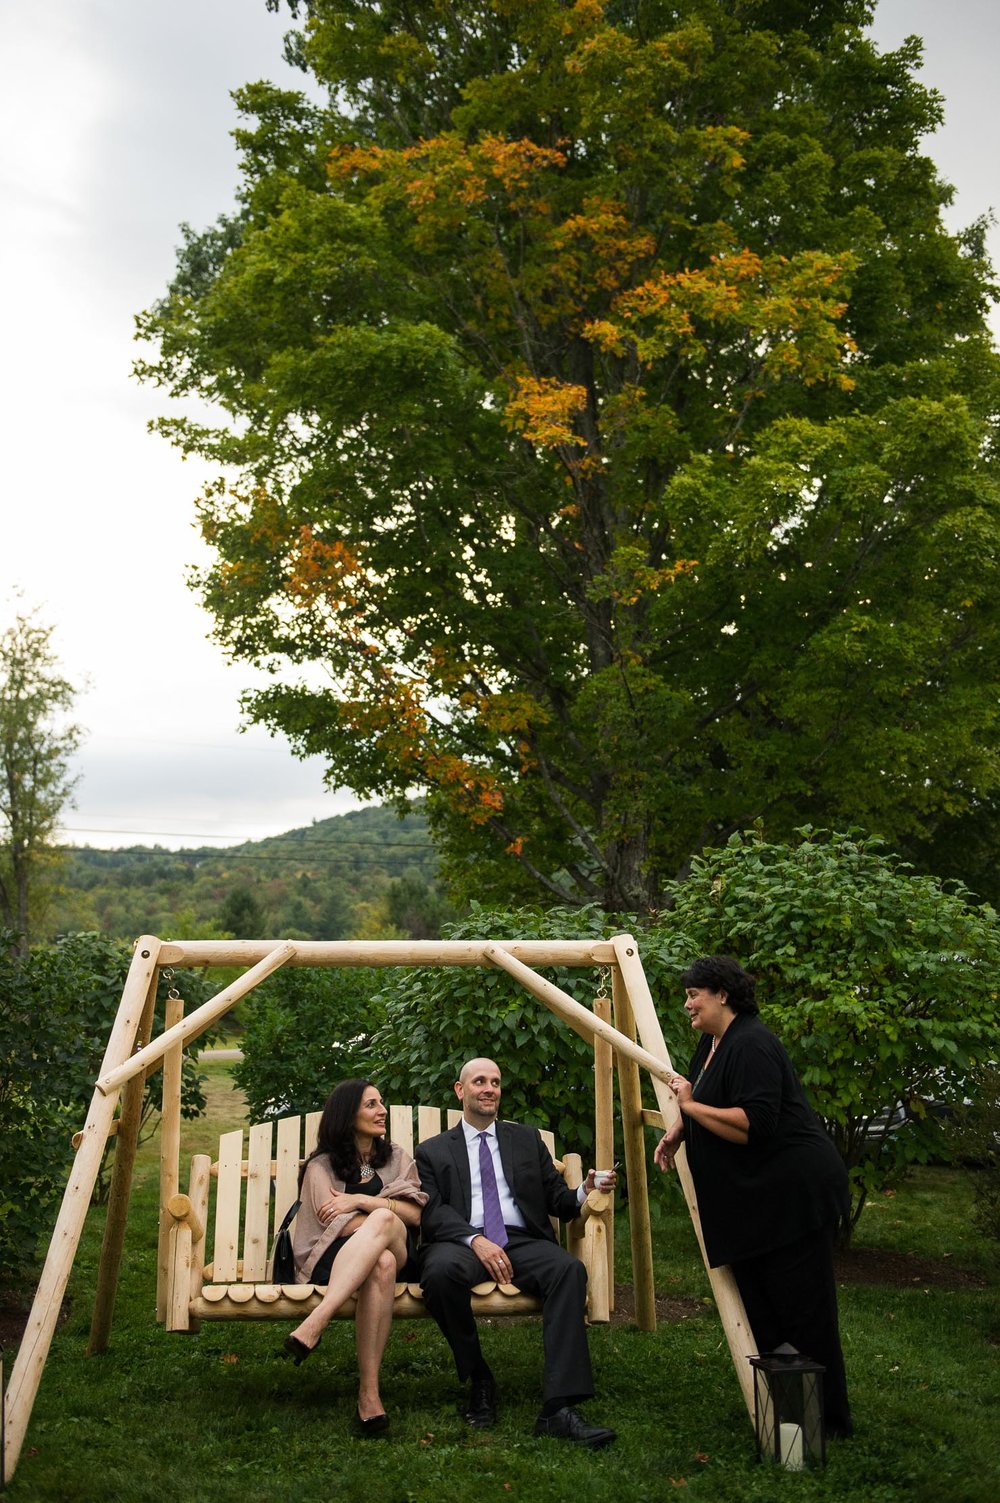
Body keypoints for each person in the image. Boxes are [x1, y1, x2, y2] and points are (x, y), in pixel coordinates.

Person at [653, 956, 852, 1438]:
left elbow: (754, 1126)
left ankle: (825, 1424)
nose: (688, 1003)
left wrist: (689, 1106)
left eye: (694, 993)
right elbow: (710, 1098)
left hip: (792, 1192)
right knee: (762, 1306)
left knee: (803, 1310)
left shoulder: (754, 1044)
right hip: (756, 1197)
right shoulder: (713, 1042)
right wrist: (681, 1128)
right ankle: (788, 1413)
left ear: (722, 994)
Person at [415, 1056, 617, 1450]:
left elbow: (557, 1199)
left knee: (567, 1271)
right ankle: (479, 1378)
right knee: (438, 1276)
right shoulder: (433, 1151)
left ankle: (559, 1408)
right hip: (462, 1242)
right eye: (479, 1081)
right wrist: (476, 1240)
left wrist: (583, 1190)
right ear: (461, 1091)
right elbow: (433, 1211)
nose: (489, 1088)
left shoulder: (526, 1140)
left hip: (522, 1240)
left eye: (495, 1082)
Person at [284, 1079, 427, 1435]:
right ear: (348, 1115)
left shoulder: (395, 1158)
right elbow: (334, 1226)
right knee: (382, 1262)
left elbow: (416, 1215)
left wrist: (362, 1202)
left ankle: (318, 1320)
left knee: (382, 1222)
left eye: (382, 1103)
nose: (382, 1111)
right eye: (371, 1105)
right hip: (335, 1261)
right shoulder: (322, 1167)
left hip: (398, 1245)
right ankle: (369, 1395)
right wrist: (387, 1213)